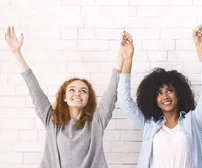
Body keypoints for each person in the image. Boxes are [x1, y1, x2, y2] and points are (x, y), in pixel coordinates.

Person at [5, 25, 122, 168]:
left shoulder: (96, 123)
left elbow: (111, 92)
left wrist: (122, 54)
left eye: (83, 91)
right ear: (64, 97)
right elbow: (33, 88)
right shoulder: (51, 120)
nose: (77, 93)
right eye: (71, 90)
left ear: (88, 99)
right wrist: (16, 52)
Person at [117, 26, 202, 168]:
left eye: (169, 90)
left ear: (179, 94)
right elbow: (124, 101)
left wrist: (201, 49)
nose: (165, 96)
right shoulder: (149, 125)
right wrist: (127, 60)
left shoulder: (193, 122)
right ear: (154, 100)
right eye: (159, 93)